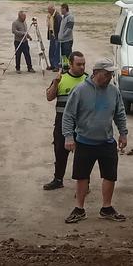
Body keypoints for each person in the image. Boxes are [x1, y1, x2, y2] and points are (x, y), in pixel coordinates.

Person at [61, 59, 129, 223]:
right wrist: (69, 137)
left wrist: (123, 133)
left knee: (110, 176)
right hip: (84, 141)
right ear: (96, 73)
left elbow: (119, 113)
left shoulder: (114, 91)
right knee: (82, 176)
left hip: (106, 142)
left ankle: (106, 208)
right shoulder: (80, 90)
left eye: (111, 74)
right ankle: (80, 208)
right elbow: (68, 115)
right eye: (107, 74)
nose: (109, 77)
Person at [43, 51, 88, 190]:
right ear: (70, 64)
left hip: (83, 124)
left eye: (84, 64)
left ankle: (84, 184)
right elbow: (49, 97)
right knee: (60, 152)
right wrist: (55, 83)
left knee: (84, 156)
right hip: (62, 123)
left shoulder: (88, 80)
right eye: (78, 64)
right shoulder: (61, 78)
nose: (82, 67)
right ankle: (58, 179)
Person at [57, 3, 75, 68]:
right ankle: (64, 67)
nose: (60, 10)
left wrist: (63, 36)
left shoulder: (70, 17)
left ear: (65, 9)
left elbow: (69, 29)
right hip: (62, 41)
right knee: (63, 55)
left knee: (68, 55)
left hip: (67, 40)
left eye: (61, 9)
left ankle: (70, 68)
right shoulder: (63, 17)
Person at [46, 4, 62, 72]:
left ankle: (56, 66)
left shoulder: (58, 16)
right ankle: (52, 65)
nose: (48, 11)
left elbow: (59, 27)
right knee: (51, 50)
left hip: (56, 36)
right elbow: (48, 25)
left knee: (56, 52)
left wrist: (58, 36)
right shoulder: (50, 16)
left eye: (49, 9)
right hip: (52, 35)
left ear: (52, 9)